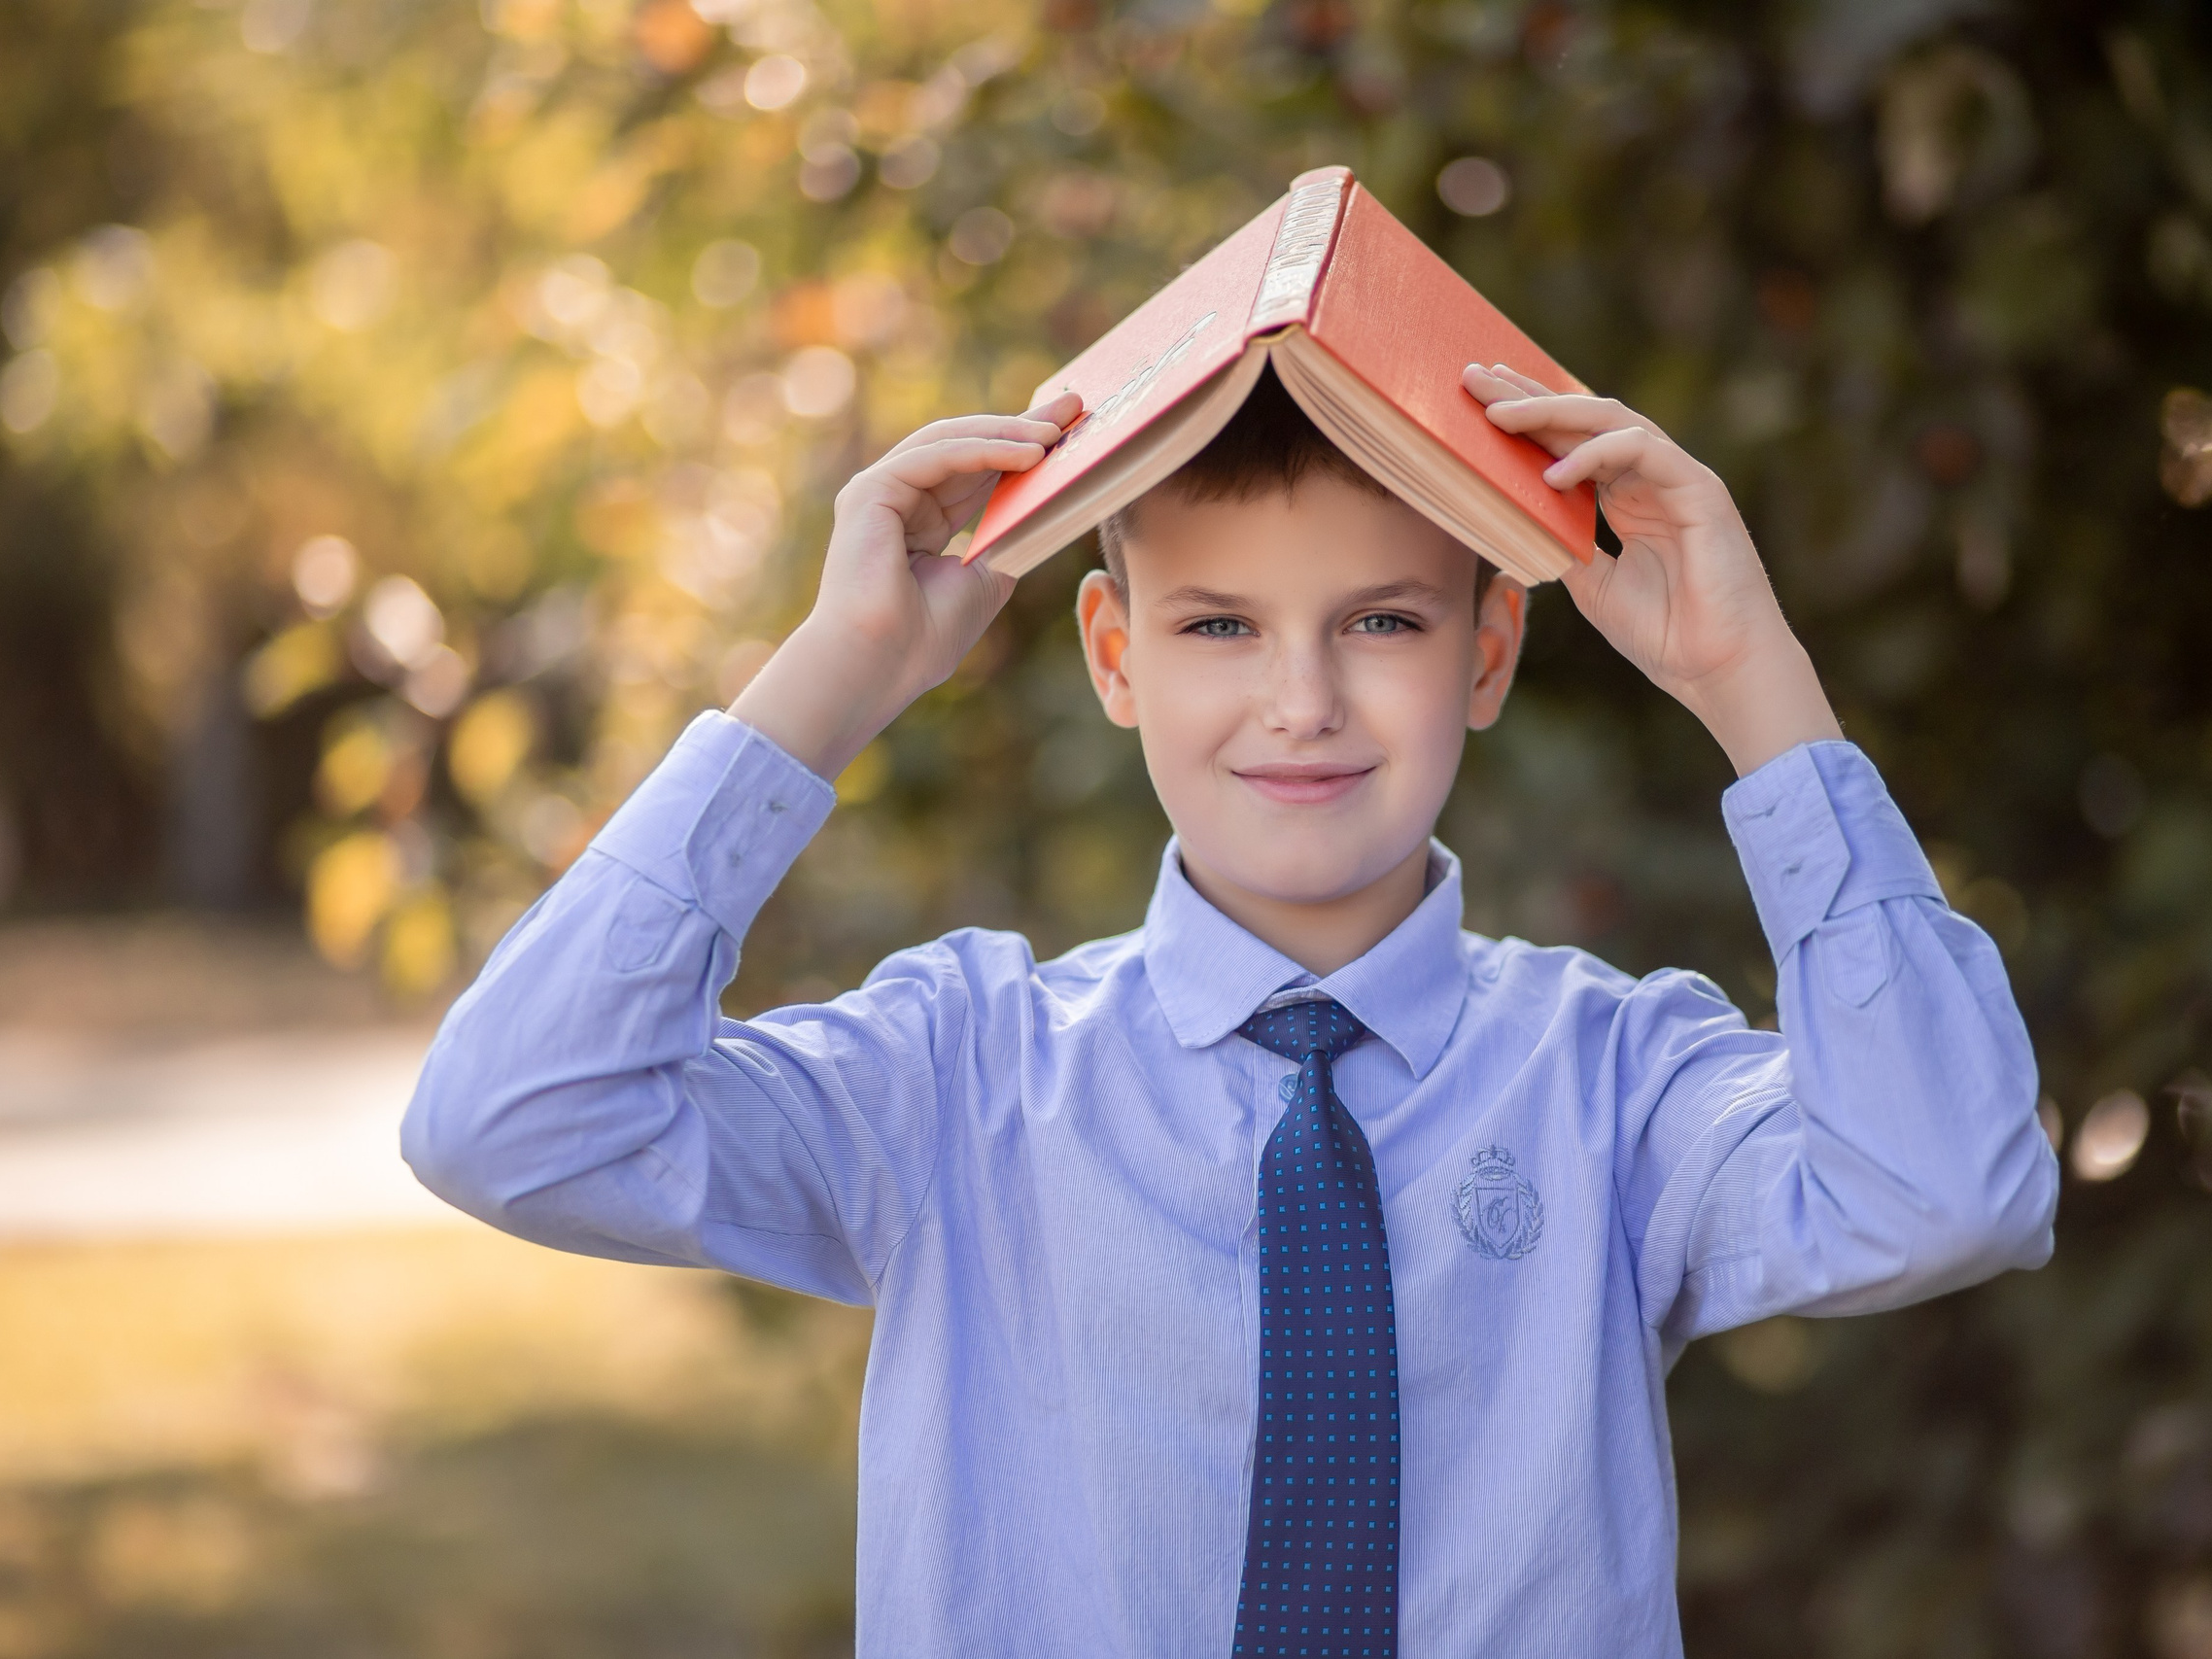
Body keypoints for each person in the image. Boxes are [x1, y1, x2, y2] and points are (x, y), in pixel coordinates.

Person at [403, 362, 2058, 1656]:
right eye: (1217, 627)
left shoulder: (1614, 1079)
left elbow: (1948, 1186)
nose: (1303, 702)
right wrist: (837, 677)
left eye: (1383, 624)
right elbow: (512, 1122)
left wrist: (1748, 679)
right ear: (1115, 659)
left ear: (1488, 655)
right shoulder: (954, 1077)